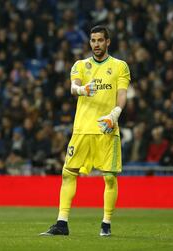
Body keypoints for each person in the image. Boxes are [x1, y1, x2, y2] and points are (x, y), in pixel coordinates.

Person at [40, 25, 130, 237]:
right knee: (68, 173)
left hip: (106, 128)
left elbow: (123, 93)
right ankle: (62, 223)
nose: (96, 44)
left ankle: (106, 224)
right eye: (93, 40)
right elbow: (74, 87)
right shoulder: (80, 65)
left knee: (109, 178)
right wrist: (82, 89)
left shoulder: (120, 66)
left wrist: (114, 114)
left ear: (108, 42)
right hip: (82, 130)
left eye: (100, 40)